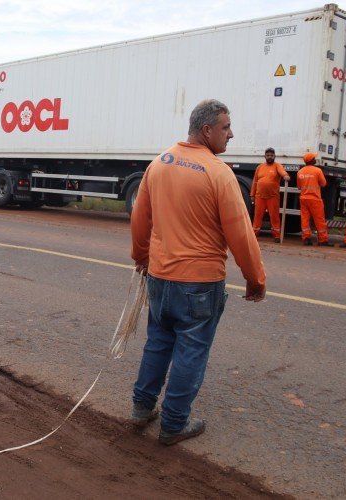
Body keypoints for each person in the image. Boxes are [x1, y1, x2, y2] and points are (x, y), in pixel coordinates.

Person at [129, 99, 266, 445]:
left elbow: (140, 219)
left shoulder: (159, 163)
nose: (231, 134)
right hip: (199, 285)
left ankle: (142, 408)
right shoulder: (219, 173)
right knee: (191, 351)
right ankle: (174, 424)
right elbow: (240, 232)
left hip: (160, 277)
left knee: (158, 343)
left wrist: (141, 257)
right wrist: (255, 278)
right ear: (207, 130)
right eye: (226, 127)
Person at [251, 147, 290, 243]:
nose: (270, 157)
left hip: (273, 197)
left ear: (274, 156)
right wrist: (252, 195)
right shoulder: (259, 167)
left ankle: (276, 236)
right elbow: (255, 181)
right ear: (265, 156)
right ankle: (254, 235)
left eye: (272, 155)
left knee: (274, 216)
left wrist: (285, 176)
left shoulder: (277, 166)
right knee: (257, 216)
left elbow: (282, 172)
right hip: (260, 196)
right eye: (268, 155)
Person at [297, 152, 330, 246]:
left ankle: (306, 238)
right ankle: (322, 240)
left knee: (305, 219)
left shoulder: (300, 172)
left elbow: (299, 187)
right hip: (315, 198)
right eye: (314, 158)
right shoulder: (318, 170)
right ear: (311, 160)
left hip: (303, 198)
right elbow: (323, 184)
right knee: (319, 220)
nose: (315, 159)